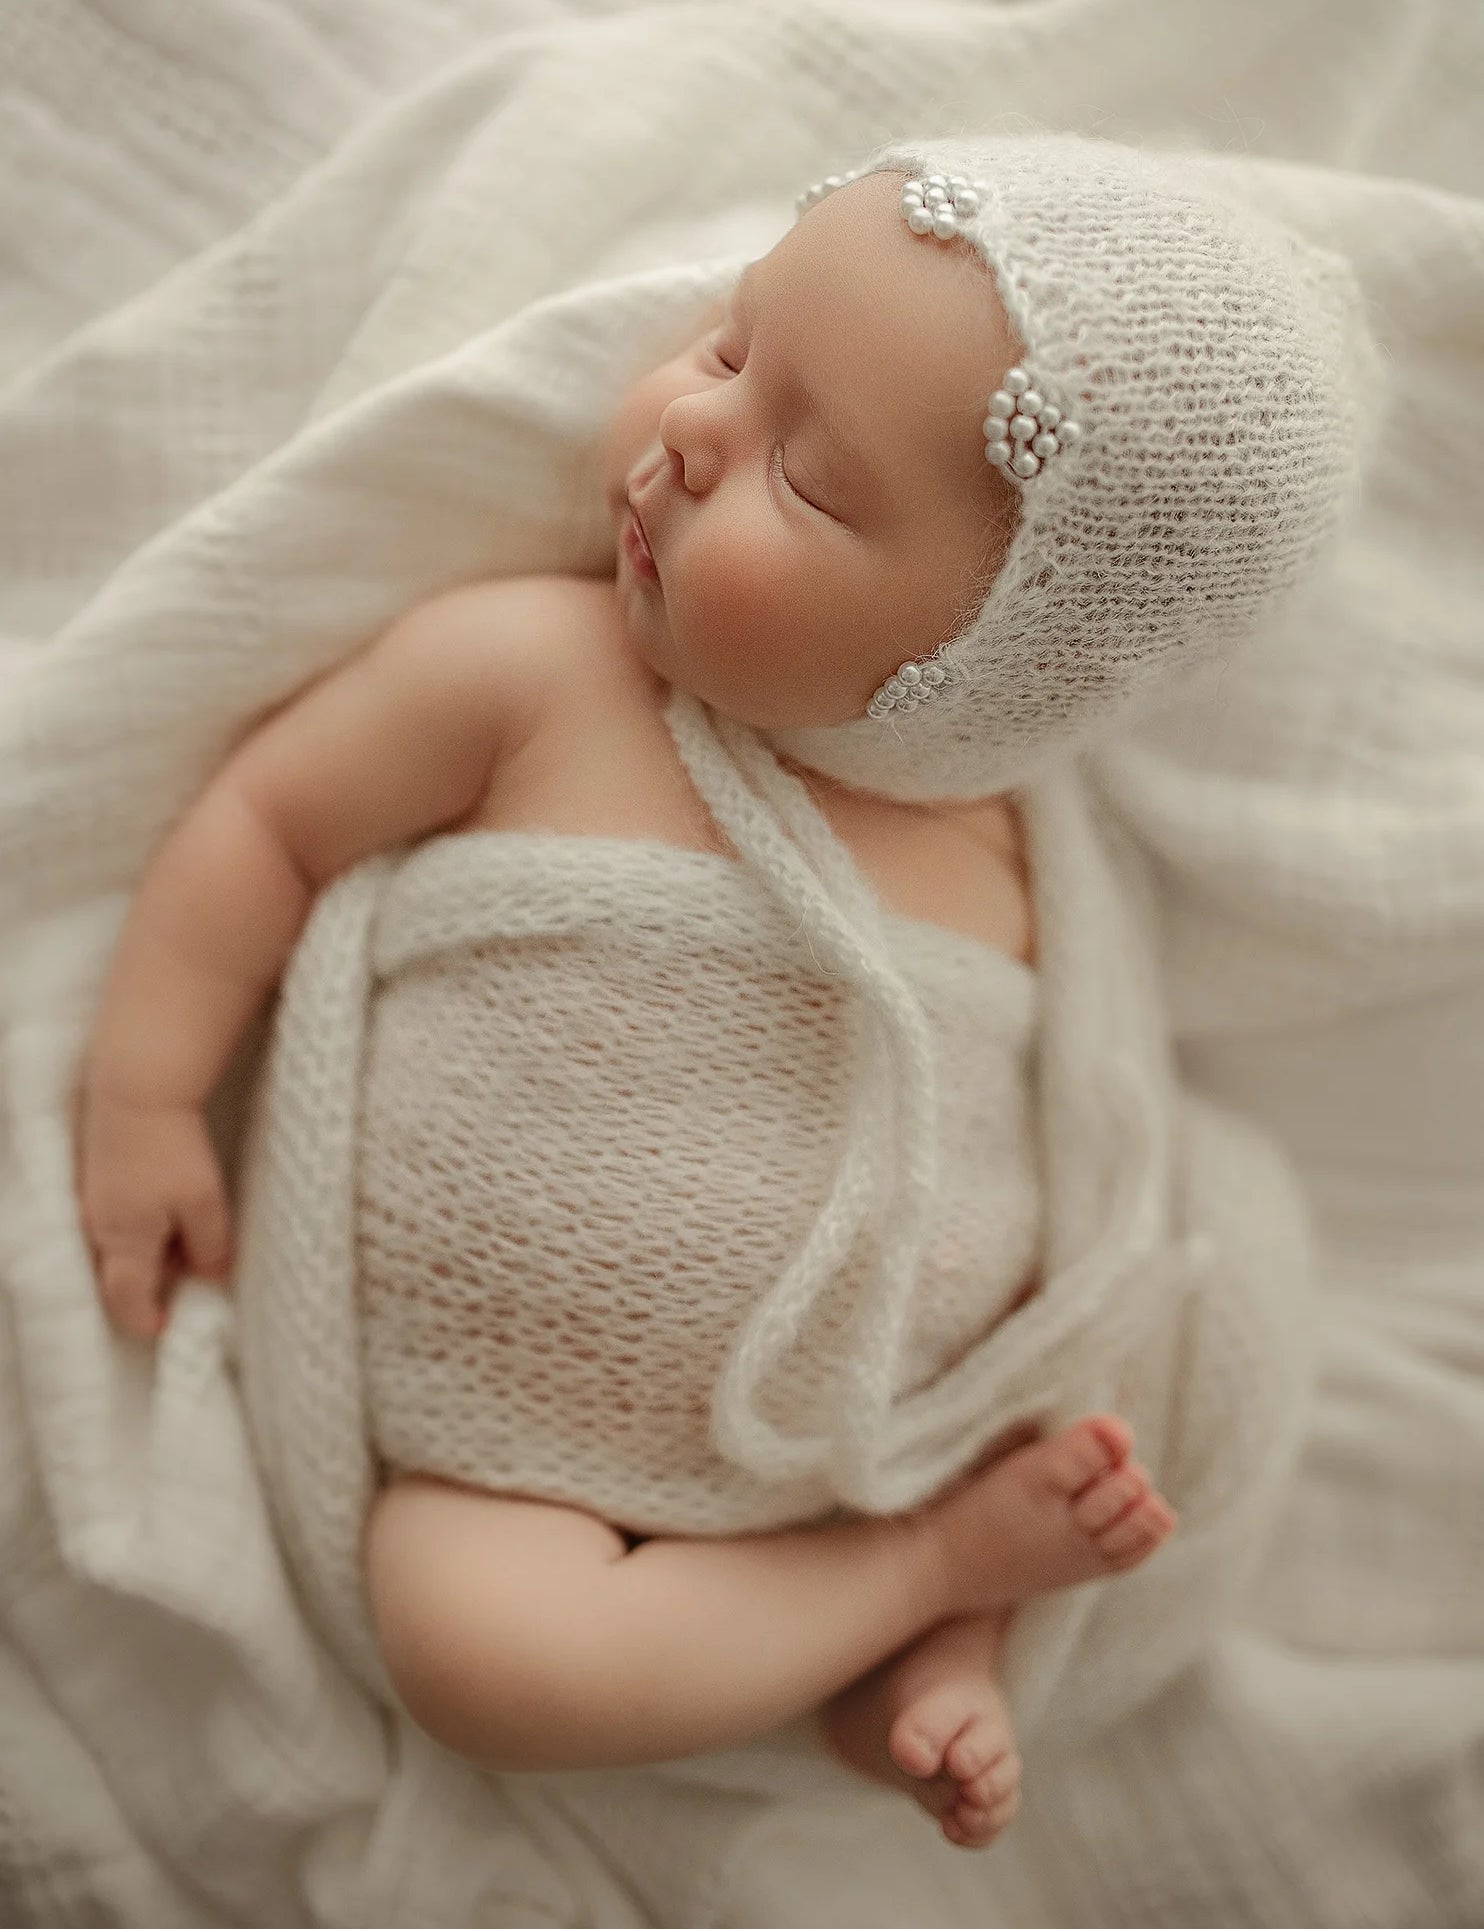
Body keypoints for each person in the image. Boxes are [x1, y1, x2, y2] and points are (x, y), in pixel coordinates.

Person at [75, 138, 1368, 1851]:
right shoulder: (540, 672)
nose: (692, 425)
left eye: (811, 482)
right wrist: (151, 1092)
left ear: (982, 672)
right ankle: (916, 1583)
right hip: (515, 1467)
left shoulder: (1014, 847)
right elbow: (267, 821)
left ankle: (937, 1609)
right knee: (475, 1649)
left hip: (884, 1417)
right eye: (732, 348)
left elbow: (1083, 1153)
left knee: (1110, 1369)